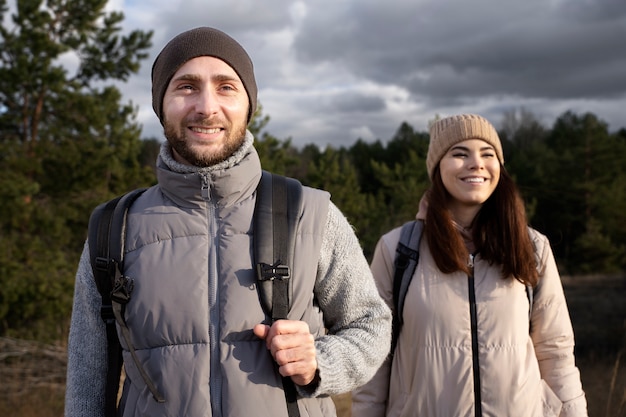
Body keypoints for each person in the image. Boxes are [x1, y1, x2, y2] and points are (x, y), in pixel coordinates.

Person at [64, 26, 391, 417]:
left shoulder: (308, 213)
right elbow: (86, 384)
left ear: (248, 105)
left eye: (225, 87)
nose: (206, 107)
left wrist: (319, 362)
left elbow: (371, 326)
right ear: (161, 104)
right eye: (186, 86)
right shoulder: (112, 229)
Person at [351, 114, 588, 417]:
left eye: (487, 154)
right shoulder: (397, 249)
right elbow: (374, 356)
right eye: (459, 154)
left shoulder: (533, 247)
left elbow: (556, 352)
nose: (476, 163)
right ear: (438, 167)